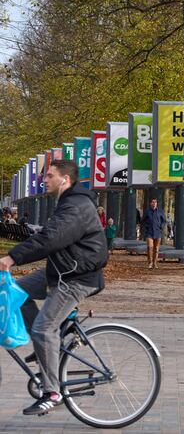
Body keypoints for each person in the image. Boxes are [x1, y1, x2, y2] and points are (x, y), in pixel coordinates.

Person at [0, 159, 107, 415]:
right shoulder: (68, 202)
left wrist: (12, 257)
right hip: (62, 270)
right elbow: (49, 235)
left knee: (42, 328)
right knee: (17, 291)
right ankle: (48, 347)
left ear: (65, 179)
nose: (44, 179)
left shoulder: (76, 206)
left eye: (49, 175)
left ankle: (52, 392)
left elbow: (51, 238)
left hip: (77, 277)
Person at [142, 198, 166, 269]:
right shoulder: (147, 211)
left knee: (156, 248)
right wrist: (147, 227)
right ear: (150, 203)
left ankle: (155, 263)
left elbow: (164, 221)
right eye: (153, 202)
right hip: (149, 232)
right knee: (150, 247)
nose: (154, 203)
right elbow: (143, 221)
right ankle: (150, 262)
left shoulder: (160, 211)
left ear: (157, 203)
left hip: (158, 232)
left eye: (155, 202)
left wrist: (161, 227)